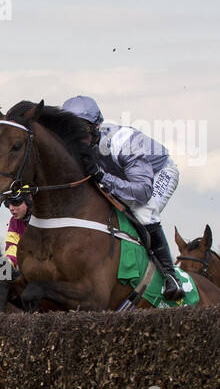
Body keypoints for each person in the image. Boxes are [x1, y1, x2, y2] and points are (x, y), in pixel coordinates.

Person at [62, 95, 183, 300]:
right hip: (122, 175)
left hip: (156, 175)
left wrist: (102, 176)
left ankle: (170, 277)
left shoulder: (124, 144)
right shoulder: (81, 144)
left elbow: (142, 192)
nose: (75, 137)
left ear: (95, 127)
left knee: (143, 212)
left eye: (81, 129)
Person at [3, 190, 29, 272]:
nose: (11, 208)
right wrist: (6, 265)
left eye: (15, 202)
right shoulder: (14, 221)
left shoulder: (43, 218)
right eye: (8, 204)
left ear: (29, 201)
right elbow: (13, 247)